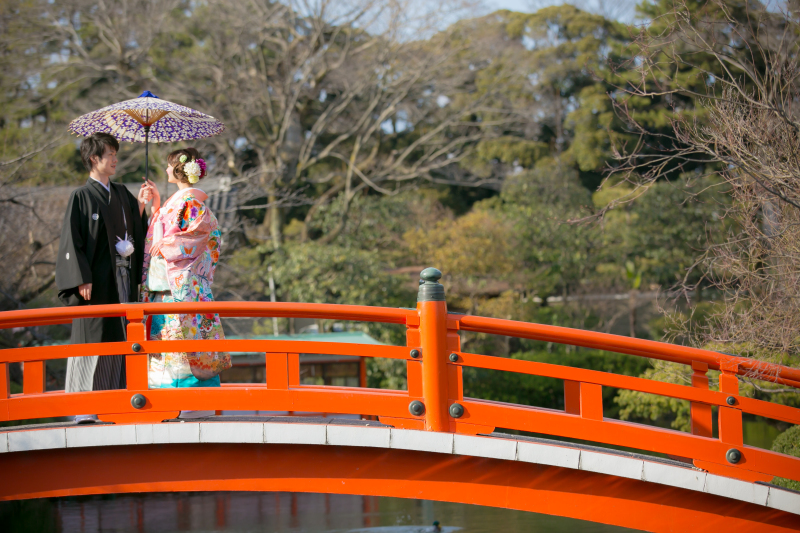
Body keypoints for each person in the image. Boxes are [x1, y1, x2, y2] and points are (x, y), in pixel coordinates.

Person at [56, 132, 157, 423]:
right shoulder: (81, 196)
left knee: (122, 336)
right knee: (94, 338)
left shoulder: (122, 192)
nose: (115, 159)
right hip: (95, 283)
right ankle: (85, 408)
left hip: (122, 278)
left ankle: (115, 404)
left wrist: (140, 205)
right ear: (93, 159)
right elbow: (71, 242)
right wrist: (81, 277)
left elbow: (133, 229)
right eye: (109, 154)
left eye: (115, 153)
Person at [141, 147, 231, 389]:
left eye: (170, 166)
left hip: (179, 289)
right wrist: (157, 203)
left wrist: (167, 244)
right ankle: (169, 396)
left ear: (179, 170)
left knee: (182, 346)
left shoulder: (191, 201)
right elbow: (161, 229)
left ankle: (188, 398)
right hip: (165, 290)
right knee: (167, 347)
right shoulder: (178, 200)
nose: (167, 169)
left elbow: (199, 234)